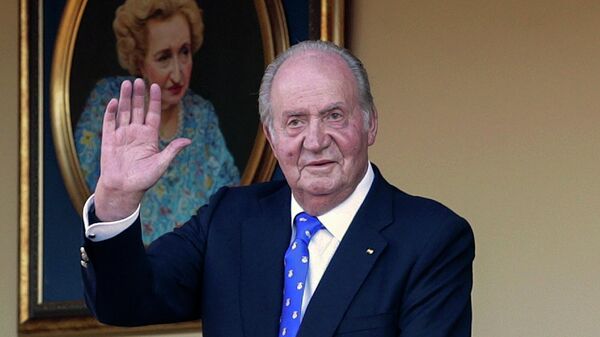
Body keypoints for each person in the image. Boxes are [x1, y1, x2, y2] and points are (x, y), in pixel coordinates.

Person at [80, 40, 475, 337]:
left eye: (334, 116)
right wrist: (116, 200)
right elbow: (124, 303)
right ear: (271, 136)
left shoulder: (432, 238)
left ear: (370, 123)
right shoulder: (229, 219)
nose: (315, 140)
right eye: (295, 122)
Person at [74, 0, 239, 244]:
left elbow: (229, 201)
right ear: (139, 61)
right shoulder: (107, 105)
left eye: (184, 52)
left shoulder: (202, 115)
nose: (178, 72)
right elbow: (90, 195)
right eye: (163, 57)